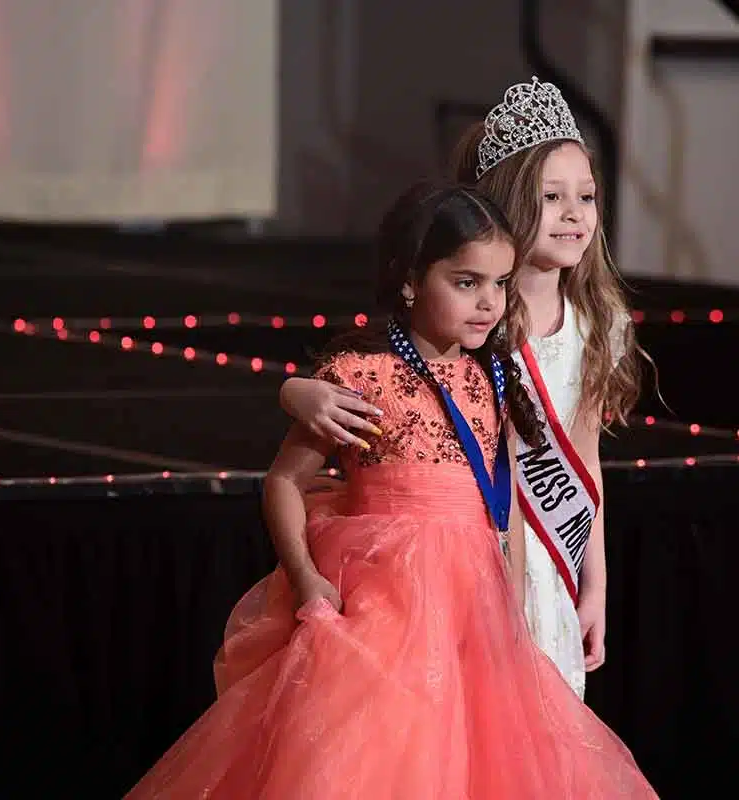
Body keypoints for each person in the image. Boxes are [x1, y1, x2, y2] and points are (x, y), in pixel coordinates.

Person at [123, 180, 658, 798]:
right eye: (466, 283)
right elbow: (285, 481)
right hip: (382, 609)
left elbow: (503, 502)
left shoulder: (494, 376)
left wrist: (512, 607)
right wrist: (306, 578)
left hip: (475, 615)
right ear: (410, 281)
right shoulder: (363, 377)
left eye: (500, 284)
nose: (488, 303)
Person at [279, 77, 644, 699]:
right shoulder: (478, 320)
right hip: (465, 556)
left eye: (587, 196)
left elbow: (584, 463)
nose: (575, 213)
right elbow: (381, 365)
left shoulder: (596, 324)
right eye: (552, 197)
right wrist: (293, 389)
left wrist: (595, 586)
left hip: (549, 555)